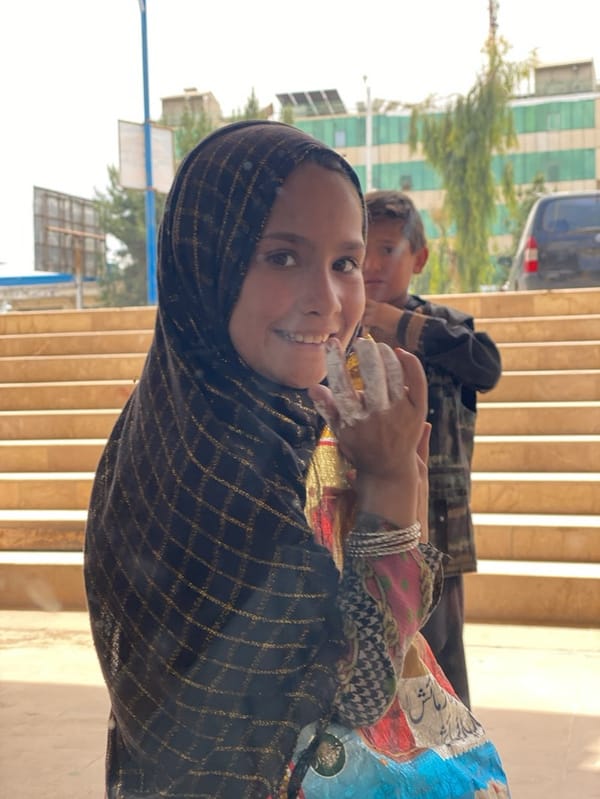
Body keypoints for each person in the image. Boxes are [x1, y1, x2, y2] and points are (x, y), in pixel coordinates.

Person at [84, 121, 510, 798]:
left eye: (346, 261)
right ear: (207, 261)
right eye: (282, 256)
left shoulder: (197, 412)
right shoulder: (220, 474)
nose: (329, 297)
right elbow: (360, 686)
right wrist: (395, 486)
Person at [361, 190, 503, 709]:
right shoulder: (335, 328)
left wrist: (397, 324)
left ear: (419, 258)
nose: (373, 263)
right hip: (361, 522)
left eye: (389, 249)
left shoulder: (445, 332)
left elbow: (486, 367)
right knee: (370, 658)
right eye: (361, 249)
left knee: (440, 659)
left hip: (436, 529)